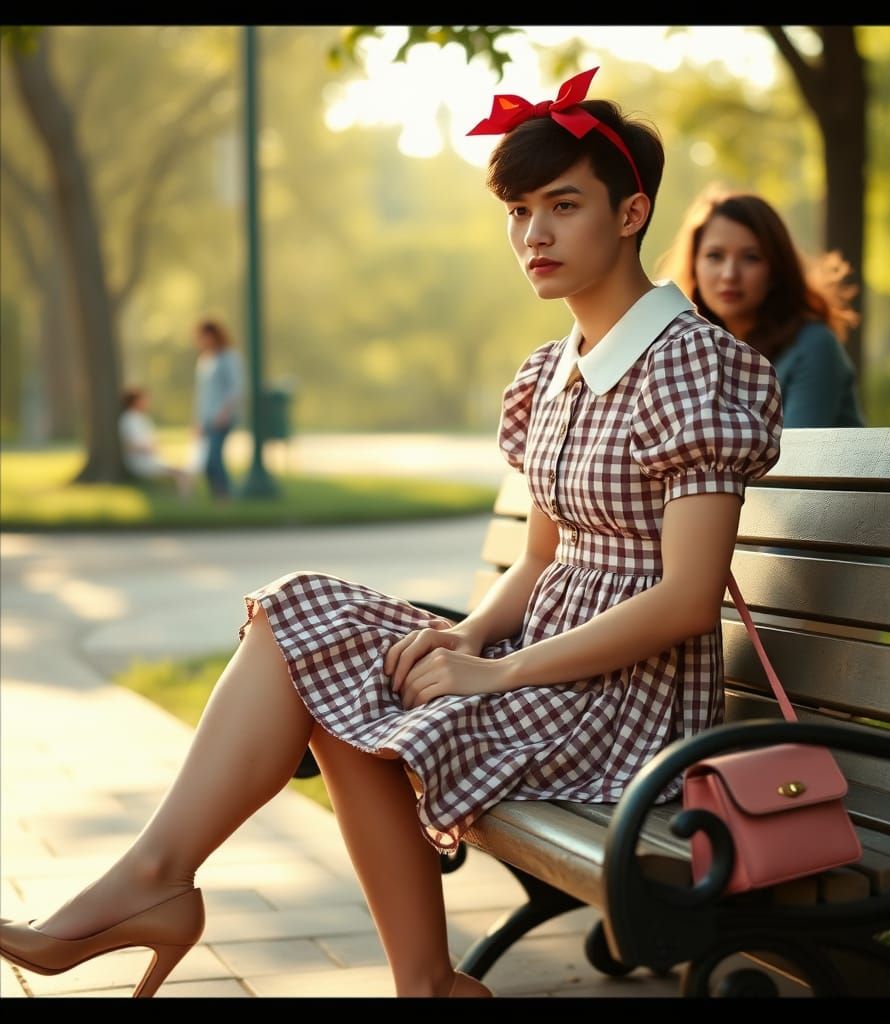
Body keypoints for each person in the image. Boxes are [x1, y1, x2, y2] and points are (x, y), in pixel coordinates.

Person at [0, 67, 783, 999]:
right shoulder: (552, 371)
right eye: (519, 211)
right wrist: (466, 633)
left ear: (629, 213)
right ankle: (213, 900)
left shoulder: (691, 366)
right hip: (547, 668)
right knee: (305, 620)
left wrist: (497, 670)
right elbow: (540, 556)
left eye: (562, 206)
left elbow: (688, 601)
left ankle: (245, 918)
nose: (533, 234)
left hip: (628, 712)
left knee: (328, 670)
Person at [658, 187, 866, 427]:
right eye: (715, 256)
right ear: (694, 265)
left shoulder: (814, 347)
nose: (729, 274)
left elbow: (795, 460)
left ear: (775, 270)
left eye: (751, 257)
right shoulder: (683, 350)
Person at [193, 317, 244, 501]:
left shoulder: (228, 357)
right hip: (207, 418)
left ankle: (225, 496)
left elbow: (235, 388)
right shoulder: (205, 360)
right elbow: (201, 395)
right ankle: (218, 495)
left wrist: (224, 412)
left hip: (222, 417)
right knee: (207, 462)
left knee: (214, 458)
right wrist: (197, 421)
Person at [118, 387, 196, 499]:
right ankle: (186, 502)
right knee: (182, 473)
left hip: (150, 459)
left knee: (183, 470)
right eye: (144, 399)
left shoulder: (142, 419)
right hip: (141, 462)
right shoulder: (129, 420)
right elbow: (130, 445)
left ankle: (183, 499)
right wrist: (148, 448)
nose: (147, 402)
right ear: (135, 401)